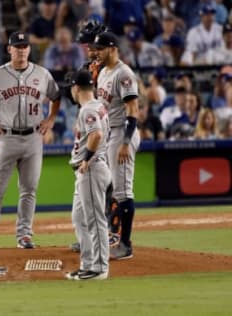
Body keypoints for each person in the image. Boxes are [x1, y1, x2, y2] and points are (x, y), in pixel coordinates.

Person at [0, 31, 61, 250]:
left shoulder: (42, 73)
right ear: (9, 49)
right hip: (6, 137)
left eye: (24, 46)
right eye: (17, 46)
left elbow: (56, 97)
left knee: (29, 189)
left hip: (33, 137)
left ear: (29, 49)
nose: (21, 50)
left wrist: (50, 119)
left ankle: (24, 235)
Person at [93, 31, 140, 260]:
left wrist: (126, 142)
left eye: (100, 48)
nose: (96, 52)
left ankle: (126, 244)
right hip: (110, 133)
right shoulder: (103, 72)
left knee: (122, 190)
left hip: (123, 133)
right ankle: (110, 236)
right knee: (109, 188)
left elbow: (133, 110)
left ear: (112, 48)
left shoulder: (123, 74)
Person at [65, 70, 111, 281]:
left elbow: (97, 134)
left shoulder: (88, 110)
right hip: (91, 169)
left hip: (91, 169)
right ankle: (88, 263)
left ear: (76, 88)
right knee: (79, 218)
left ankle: (100, 268)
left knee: (94, 219)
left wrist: (87, 158)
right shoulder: (99, 105)